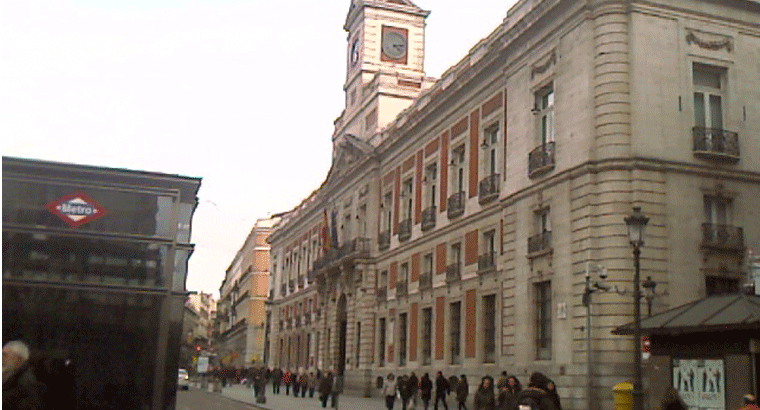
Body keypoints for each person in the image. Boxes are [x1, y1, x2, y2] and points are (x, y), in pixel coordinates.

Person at [2, 340, 45, 410]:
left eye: (4, 355)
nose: (1, 358)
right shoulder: (9, 375)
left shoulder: (25, 382)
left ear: (18, 360)